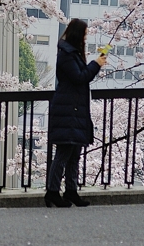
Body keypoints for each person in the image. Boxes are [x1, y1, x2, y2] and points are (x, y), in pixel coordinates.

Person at [45, 18, 107, 208]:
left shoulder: (72, 54)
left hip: (74, 110)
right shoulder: (67, 55)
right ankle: (52, 192)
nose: (86, 38)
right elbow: (80, 77)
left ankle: (71, 190)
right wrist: (96, 64)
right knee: (64, 153)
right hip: (68, 110)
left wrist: (94, 63)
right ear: (77, 35)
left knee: (75, 153)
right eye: (85, 34)